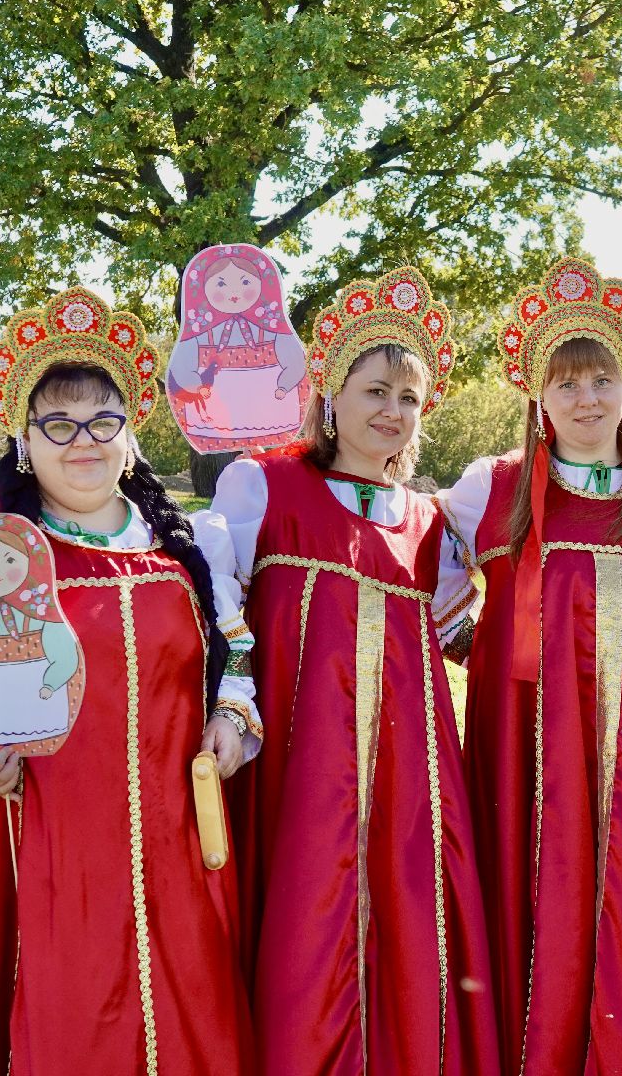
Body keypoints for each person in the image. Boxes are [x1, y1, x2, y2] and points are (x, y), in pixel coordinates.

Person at [0, 286, 258, 1074]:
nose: (83, 440)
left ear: (131, 433)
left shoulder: (186, 542)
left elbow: (233, 654)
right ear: (24, 436)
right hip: (20, 846)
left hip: (163, 855)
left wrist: (231, 720)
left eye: (103, 420)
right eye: (58, 423)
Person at [433, 256, 622, 1075]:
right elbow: (424, 588)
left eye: (600, 378)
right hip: (529, 754)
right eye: (564, 385)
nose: (585, 400)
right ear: (537, 394)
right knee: (537, 913)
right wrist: (478, 651)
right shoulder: (488, 488)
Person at [203, 266, 498, 1075]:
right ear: (330, 394)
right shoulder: (264, 485)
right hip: (298, 759)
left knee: (402, 915)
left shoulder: (429, 521)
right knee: (302, 913)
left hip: (408, 768)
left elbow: (454, 629)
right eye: (374, 391)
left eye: (408, 399)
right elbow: (213, 610)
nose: (391, 413)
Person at [167, 244, 309, 451]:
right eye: (221, 284)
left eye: (245, 282)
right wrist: (197, 386)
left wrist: (284, 385)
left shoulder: (271, 328)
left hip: (268, 407)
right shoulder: (200, 334)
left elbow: (295, 363)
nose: (234, 292)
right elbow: (181, 366)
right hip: (215, 412)